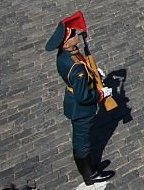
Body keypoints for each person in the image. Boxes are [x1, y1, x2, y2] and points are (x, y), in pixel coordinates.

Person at [46, 19, 115, 186]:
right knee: (82, 142)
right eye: (73, 35)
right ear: (66, 43)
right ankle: (89, 175)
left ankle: (92, 166)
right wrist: (100, 94)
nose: (76, 35)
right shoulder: (74, 67)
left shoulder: (69, 54)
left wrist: (92, 72)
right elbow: (84, 96)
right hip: (80, 109)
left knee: (85, 140)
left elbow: (83, 66)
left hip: (77, 102)